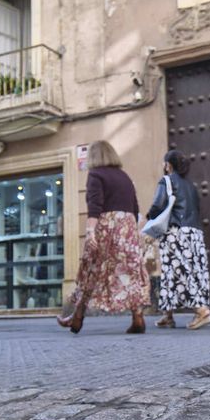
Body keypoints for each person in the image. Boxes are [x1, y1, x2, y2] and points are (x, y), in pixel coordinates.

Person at [57, 141, 151, 334]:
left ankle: (77, 316)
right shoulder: (125, 176)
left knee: (92, 270)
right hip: (128, 228)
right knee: (130, 272)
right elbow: (135, 208)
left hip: (106, 226)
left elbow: (95, 205)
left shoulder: (95, 175)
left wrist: (91, 231)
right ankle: (137, 316)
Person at [147, 150, 210, 330]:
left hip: (175, 232)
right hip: (194, 233)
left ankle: (201, 311)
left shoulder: (167, 181)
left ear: (168, 164)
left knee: (178, 271)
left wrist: (150, 217)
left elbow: (157, 205)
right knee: (184, 270)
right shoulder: (191, 186)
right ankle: (167, 315)